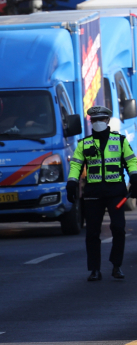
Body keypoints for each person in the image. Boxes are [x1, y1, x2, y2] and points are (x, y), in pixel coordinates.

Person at [66, 105, 137, 281]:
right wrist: (71, 182)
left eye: (101, 119)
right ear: (91, 121)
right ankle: (95, 269)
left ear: (107, 120)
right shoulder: (84, 144)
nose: (98, 122)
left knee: (119, 228)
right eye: (94, 120)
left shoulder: (119, 141)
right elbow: (75, 165)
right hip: (93, 194)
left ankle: (116, 265)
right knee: (92, 233)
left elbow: (131, 161)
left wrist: (134, 179)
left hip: (115, 193)